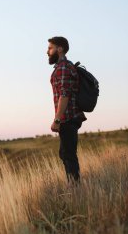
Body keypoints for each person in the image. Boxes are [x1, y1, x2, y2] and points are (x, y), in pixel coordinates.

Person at [47, 36, 87, 186]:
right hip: (69, 117)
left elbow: (65, 94)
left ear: (60, 49)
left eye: (50, 48)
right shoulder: (63, 66)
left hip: (68, 117)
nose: (47, 52)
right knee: (65, 153)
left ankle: (75, 188)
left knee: (68, 154)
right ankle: (73, 185)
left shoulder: (63, 67)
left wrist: (57, 119)